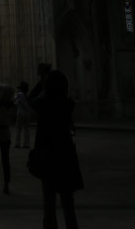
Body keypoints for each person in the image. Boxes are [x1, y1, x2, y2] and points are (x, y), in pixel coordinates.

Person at [28, 69, 84, 229]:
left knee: (49, 205)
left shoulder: (43, 105)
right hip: (66, 157)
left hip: (48, 158)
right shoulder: (68, 105)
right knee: (68, 205)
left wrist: (41, 82)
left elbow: (30, 98)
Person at [14, 80, 31, 148]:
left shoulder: (20, 94)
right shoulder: (27, 95)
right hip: (26, 114)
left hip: (20, 113)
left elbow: (15, 100)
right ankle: (26, 144)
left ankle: (18, 143)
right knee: (26, 129)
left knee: (18, 129)